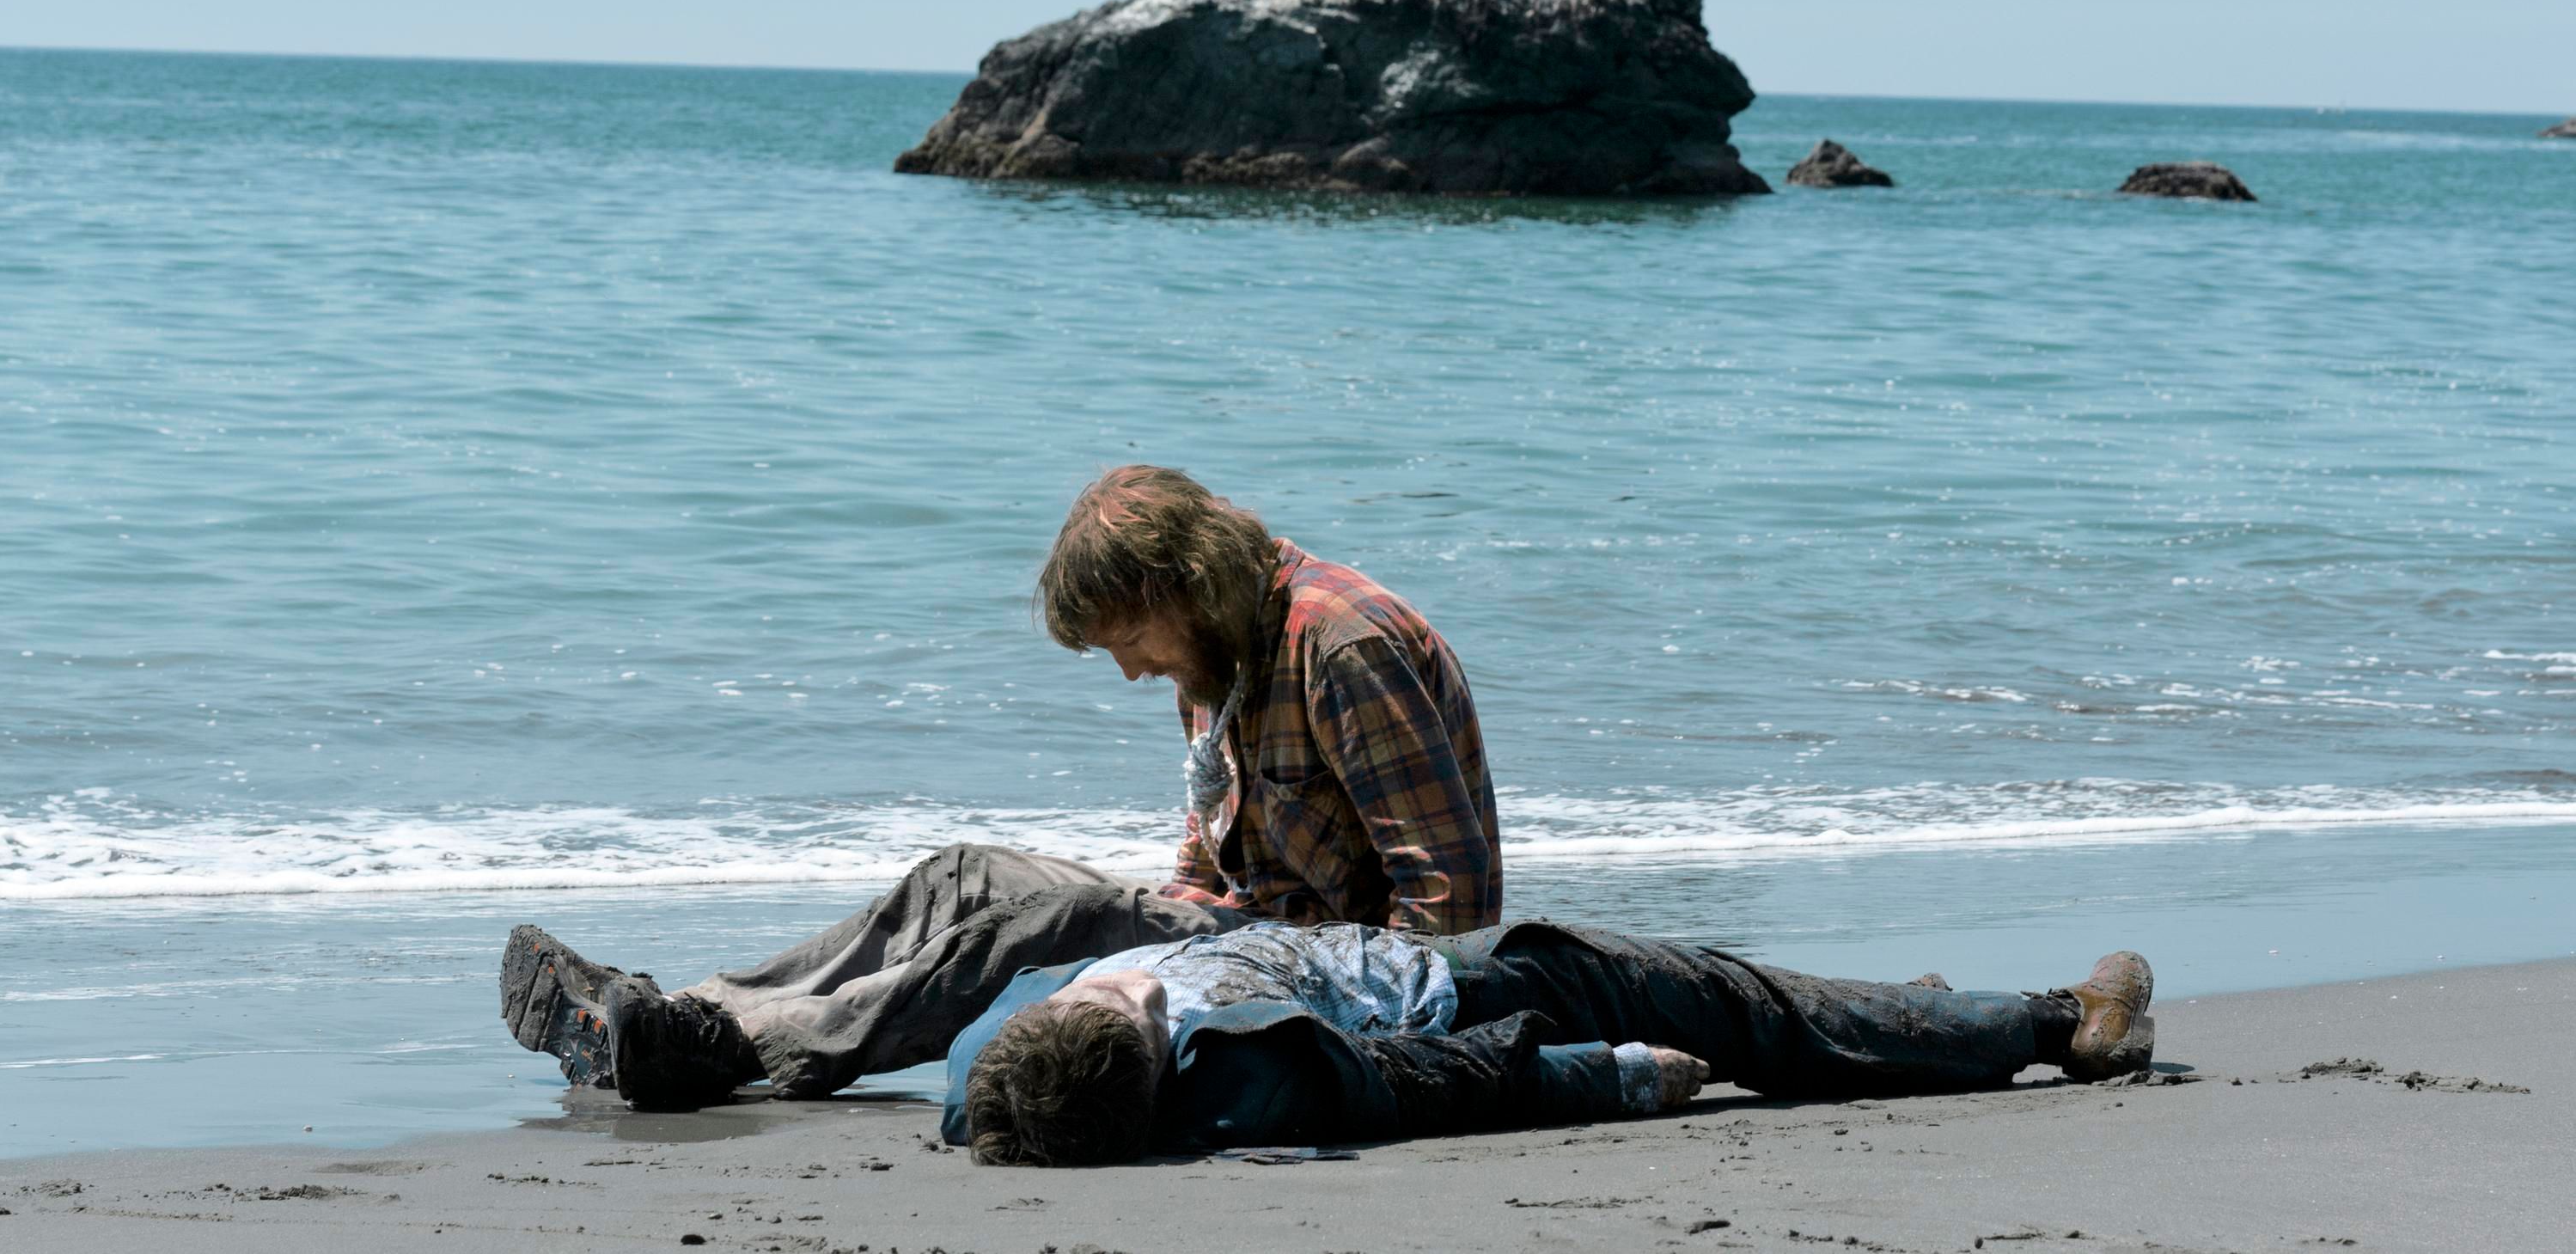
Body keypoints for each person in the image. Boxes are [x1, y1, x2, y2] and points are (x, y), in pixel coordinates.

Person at [501, 465, 1502, 1109]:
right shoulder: (1221, 646)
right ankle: (686, 1013)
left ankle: (739, 1051)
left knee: (1054, 924)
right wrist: (1158, 918)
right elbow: (1207, 858)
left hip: (1335, 973)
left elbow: (1452, 910)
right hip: (1254, 923)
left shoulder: (1339, 645)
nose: (1130, 671)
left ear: (1185, 584)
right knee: (967, 876)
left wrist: (1329, 1025)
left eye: (1128, 640)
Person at [945, 920, 2158, 1165]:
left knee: (1764, 1007)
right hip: (1467, 989)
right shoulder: (1247, 1077)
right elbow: (1429, 1083)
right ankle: (2058, 1022)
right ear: (1158, 1061)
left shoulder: (988, 1076)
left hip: (1397, 954)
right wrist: (1608, 1078)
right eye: (1137, 1015)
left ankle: (1894, 1022)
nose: (1131, 989)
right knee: (1724, 1001)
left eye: (1097, 1000)